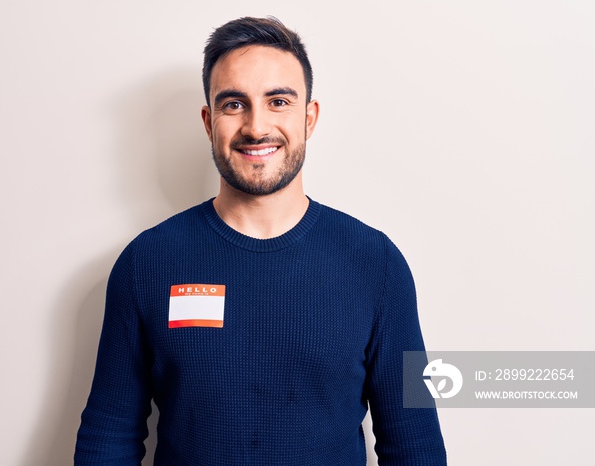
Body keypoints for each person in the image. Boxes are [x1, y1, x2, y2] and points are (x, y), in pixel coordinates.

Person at [75, 16, 447, 465]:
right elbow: (109, 436)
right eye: (234, 104)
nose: (256, 126)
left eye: (278, 101)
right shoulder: (147, 263)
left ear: (308, 118)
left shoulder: (377, 264)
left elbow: (414, 444)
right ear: (209, 121)